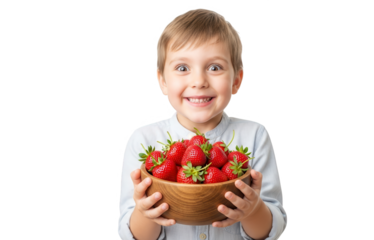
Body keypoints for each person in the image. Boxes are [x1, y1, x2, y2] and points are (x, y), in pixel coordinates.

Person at [118, 8, 288, 240]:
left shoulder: (255, 135)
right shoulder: (142, 139)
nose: (199, 81)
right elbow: (130, 234)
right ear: (162, 81)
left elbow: (273, 229)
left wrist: (253, 209)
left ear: (237, 80)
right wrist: (145, 212)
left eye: (214, 67)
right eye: (182, 68)